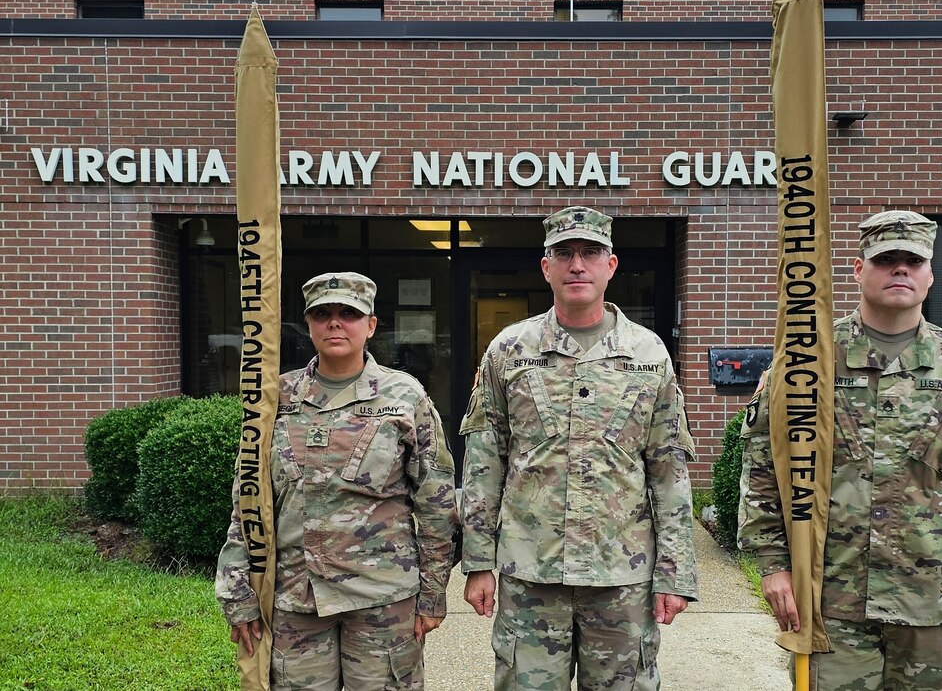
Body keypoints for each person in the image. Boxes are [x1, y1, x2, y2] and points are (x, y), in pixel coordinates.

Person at [738, 210, 942, 690]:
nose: (900, 270)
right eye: (885, 259)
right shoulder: (808, 360)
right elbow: (766, 464)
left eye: (912, 261)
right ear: (857, 269)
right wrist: (774, 566)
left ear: (930, 274)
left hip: (932, 598)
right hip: (829, 597)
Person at [459, 206, 699, 690]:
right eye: (563, 254)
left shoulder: (649, 354)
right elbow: (485, 462)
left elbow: (668, 471)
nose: (577, 265)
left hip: (621, 575)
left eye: (590, 253)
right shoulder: (509, 351)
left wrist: (675, 573)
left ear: (611, 266)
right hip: (531, 572)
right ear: (545, 267)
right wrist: (478, 561)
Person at [216, 272, 458, 690]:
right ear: (308, 323)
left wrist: (433, 592)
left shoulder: (405, 397)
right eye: (322, 314)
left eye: (349, 313)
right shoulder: (275, 398)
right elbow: (249, 498)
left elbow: (435, 501)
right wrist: (238, 590)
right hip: (296, 594)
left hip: (382, 597)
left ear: (371, 325)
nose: (335, 323)